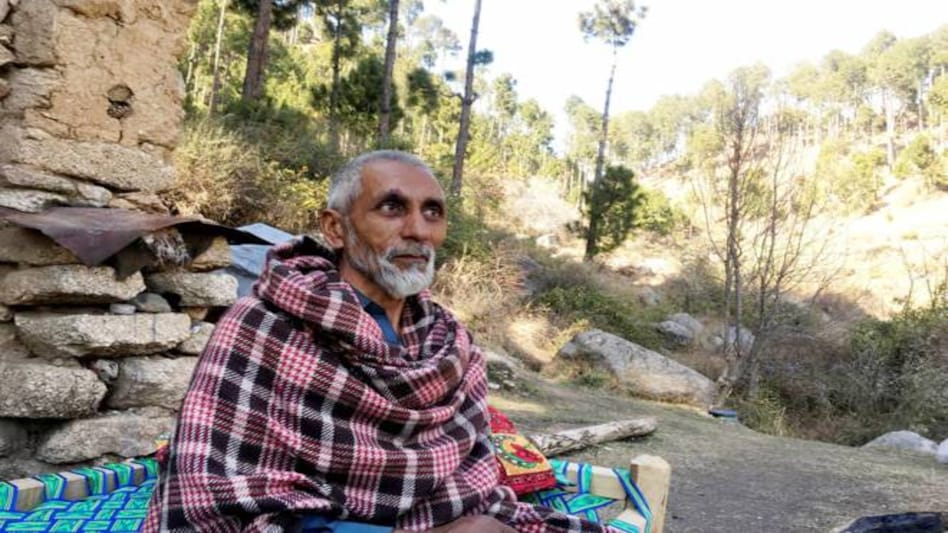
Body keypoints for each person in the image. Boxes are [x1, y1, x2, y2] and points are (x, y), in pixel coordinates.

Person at [144, 151, 617, 532]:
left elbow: (473, 479)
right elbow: (213, 494)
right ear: (336, 228)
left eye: (432, 212)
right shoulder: (263, 326)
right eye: (392, 207)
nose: (417, 230)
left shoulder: (451, 344)